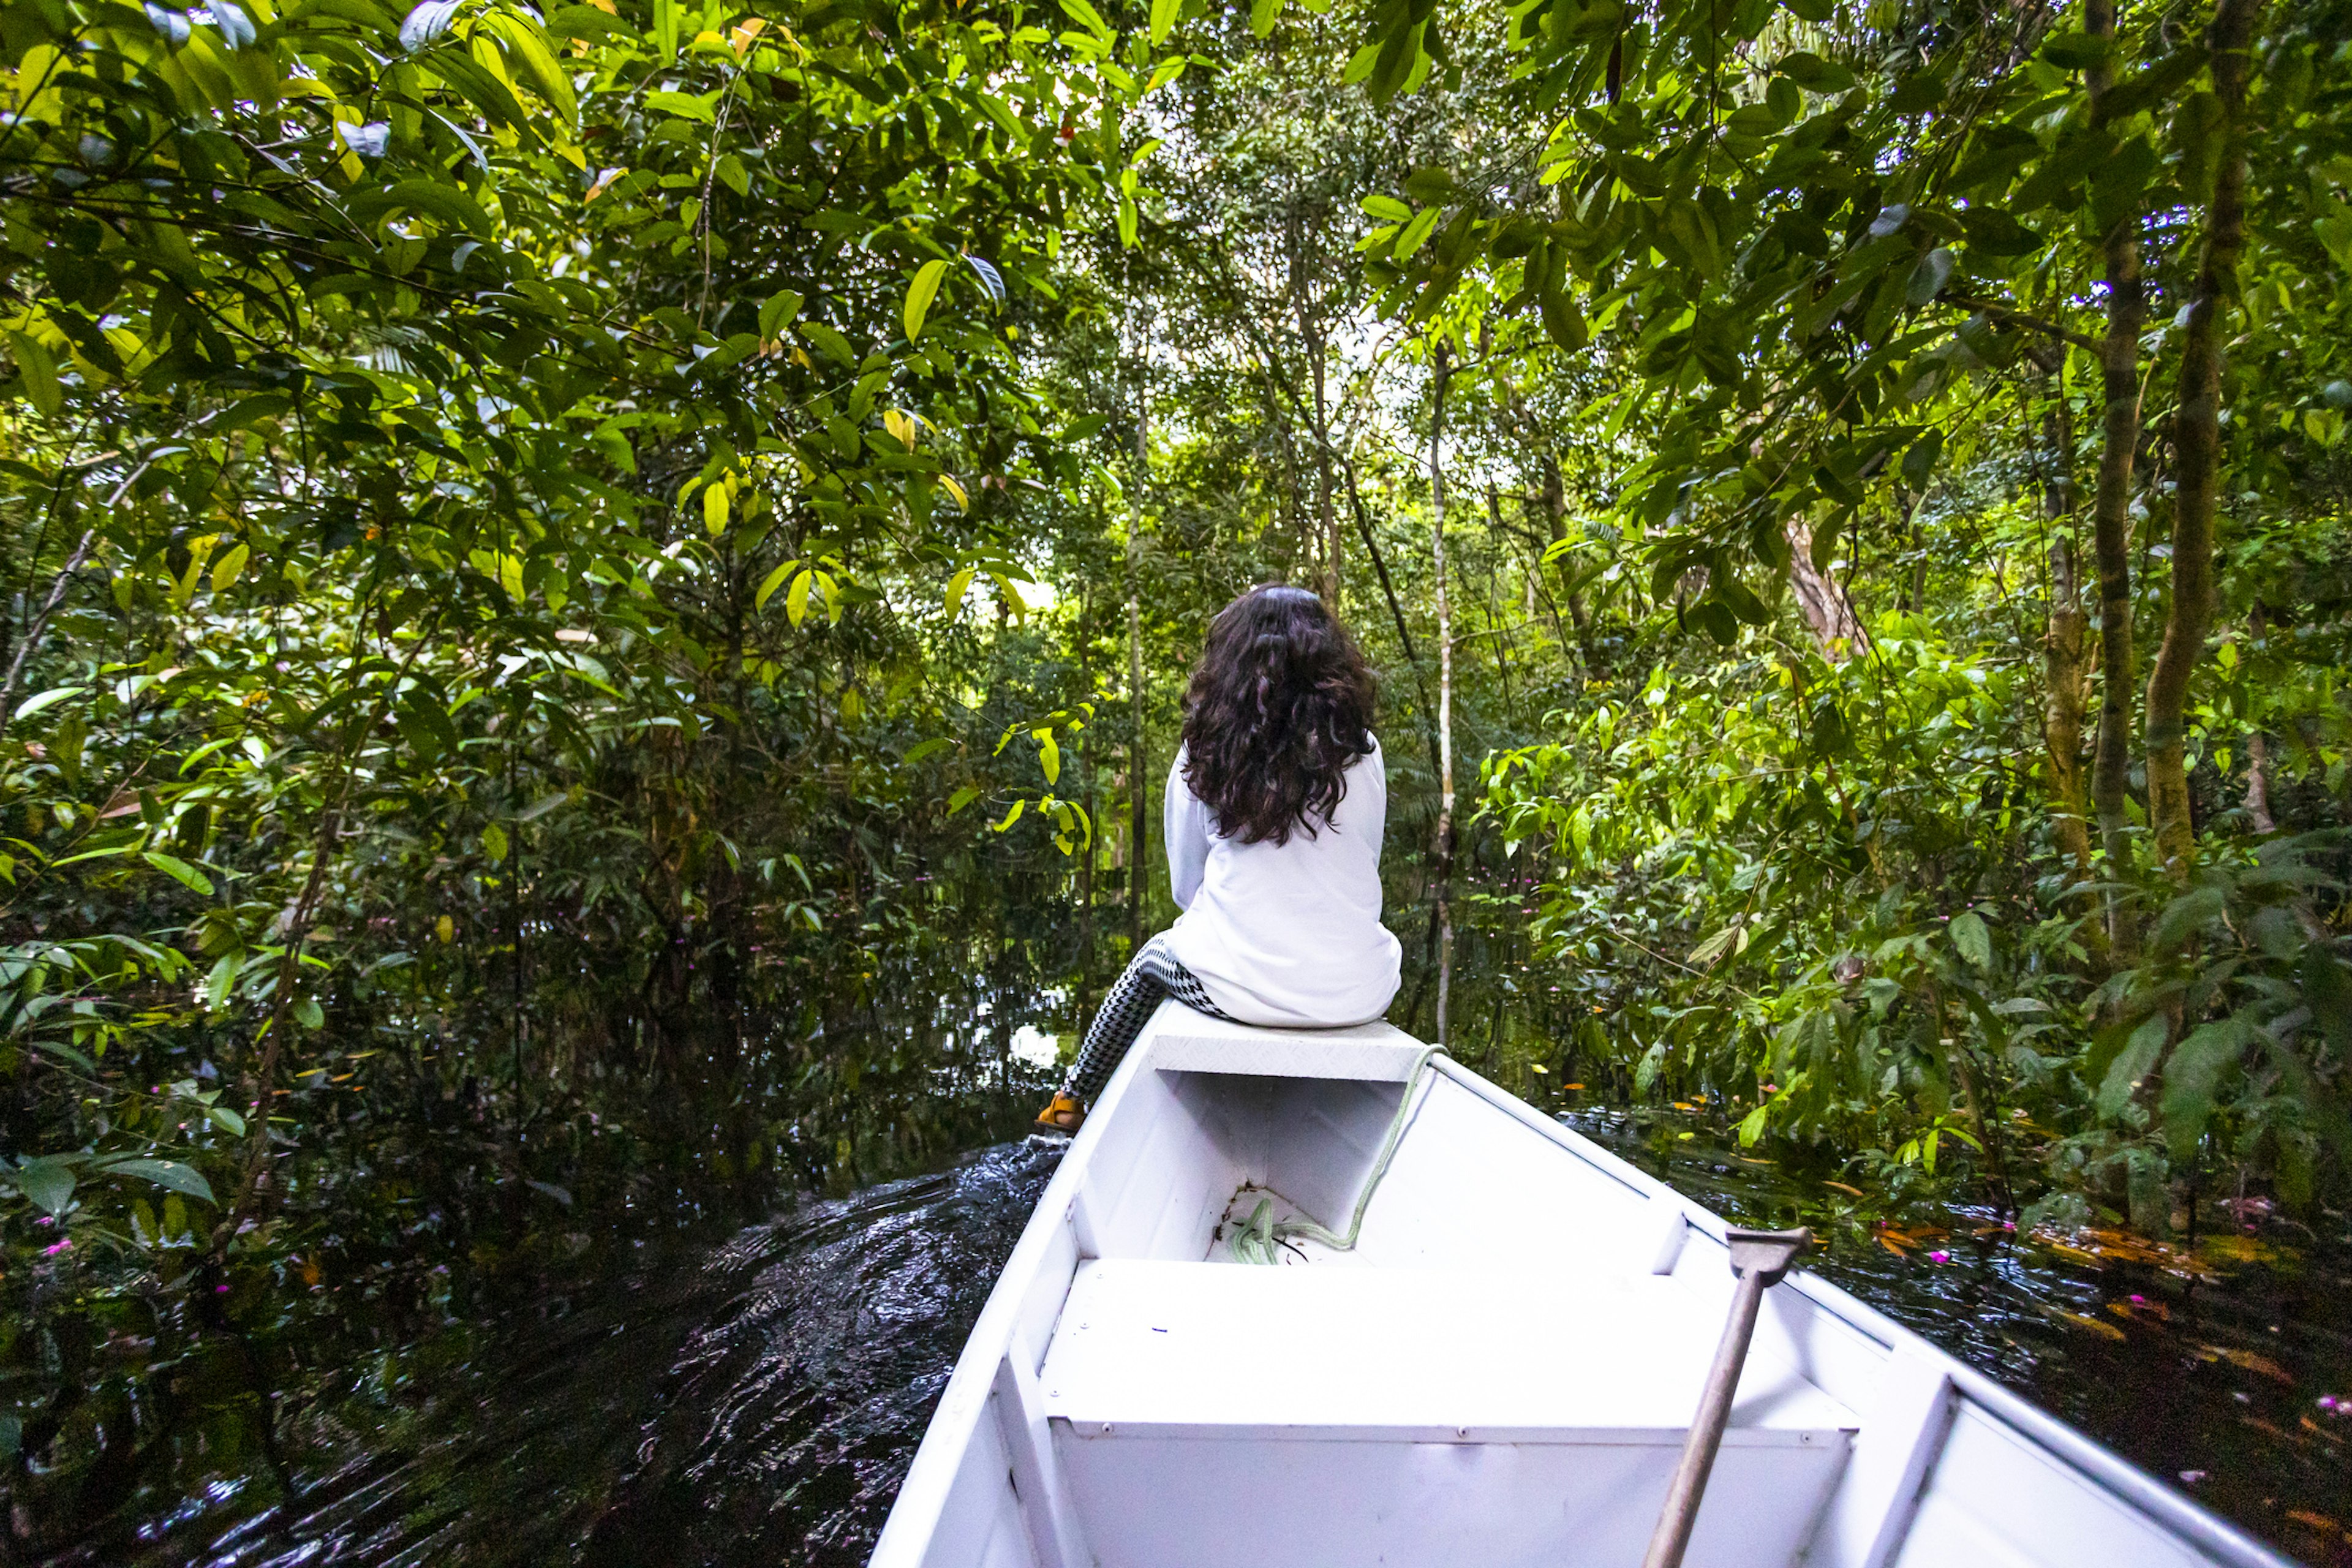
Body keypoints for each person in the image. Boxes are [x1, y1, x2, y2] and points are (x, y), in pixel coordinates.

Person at [1034, 583, 1401, 1134]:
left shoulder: (1206, 748)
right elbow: (1363, 866)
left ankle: (1071, 1100)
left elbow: (1187, 888)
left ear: (1233, 661)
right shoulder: (1361, 749)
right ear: (1330, 661)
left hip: (1236, 991)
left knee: (1152, 959)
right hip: (1360, 994)